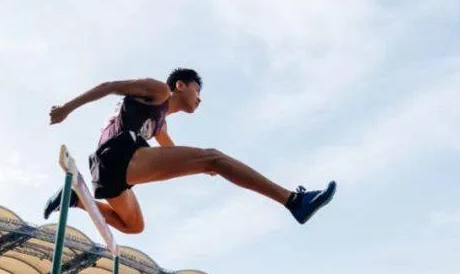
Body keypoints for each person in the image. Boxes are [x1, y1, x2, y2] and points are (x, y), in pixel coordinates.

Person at [44, 68, 336, 233]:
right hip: (116, 153)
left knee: (133, 226)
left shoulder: (160, 127)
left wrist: (206, 167)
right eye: (198, 90)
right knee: (212, 156)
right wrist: (67, 109)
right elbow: (109, 86)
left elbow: (174, 154)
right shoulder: (158, 91)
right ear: (180, 85)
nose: (200, 99)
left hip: (109, 171)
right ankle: (294, 200)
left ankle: (76, 200)